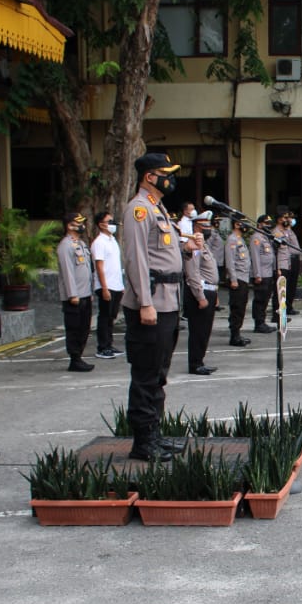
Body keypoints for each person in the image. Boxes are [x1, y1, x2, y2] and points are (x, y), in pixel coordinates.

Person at [120, 152, 187, 461]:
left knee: (159, 373)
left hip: (168, 302)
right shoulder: (139, 209)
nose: (170, 179)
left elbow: (162, 253)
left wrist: (187, 248)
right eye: (166, 174)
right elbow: (136, 259)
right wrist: (145, 303)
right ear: (149, 177)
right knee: (146, 374)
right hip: (151, 304)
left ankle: (155, 434)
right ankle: (143, 441)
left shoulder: (157, 208)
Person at [57, 212, 95, 371]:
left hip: (85, 293)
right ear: (69, 226)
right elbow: (68, 272)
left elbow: (87, 269)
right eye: (78, 223)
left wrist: (90, 291)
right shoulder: (65, 245)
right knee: (74, 328)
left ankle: (79, 356)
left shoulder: (80, 243)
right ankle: (75, 358)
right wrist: (73, 294)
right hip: (75, 296)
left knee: (84, 328)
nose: (82, 226)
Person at [184, 212, 219, 375]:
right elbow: (193, 273)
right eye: (205, 226)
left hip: (210, 291)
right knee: (198, 331)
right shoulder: (194, 246)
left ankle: (200, 360)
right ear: (197, 227)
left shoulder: (204, 245)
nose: (208, 229)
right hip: (200, 293)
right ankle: (195, 364)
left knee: (205, 331)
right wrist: (200, 297)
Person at [91, 211, 124, 359]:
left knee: (111, 317)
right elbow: (99, 266)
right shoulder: (99, 242)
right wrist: (104, 288)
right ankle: (102, 347)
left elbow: (115, 265)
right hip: (106, 285)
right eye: (109, 221)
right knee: (104, 317)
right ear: (101, 225)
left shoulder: (113, 241)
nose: (113, 224)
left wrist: (121, 285)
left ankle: (109, 344)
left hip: (115, 284)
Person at [225, 219, 252, 347]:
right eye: (243, 223)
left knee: (241, 307)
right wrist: (233, 279)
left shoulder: (239, 239)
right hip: (238, 278)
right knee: (237, 308)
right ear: (236, 224)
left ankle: (237, 333)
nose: (246, 226)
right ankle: (234, 336)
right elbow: (230, 261)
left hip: (244, 277)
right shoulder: (232, 239)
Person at [271, 208, 302, 316]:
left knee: (287, 288)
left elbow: (295, 247)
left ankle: (284, 311)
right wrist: (278, 268)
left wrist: (288, 229)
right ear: (279, 219)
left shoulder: (286, 231)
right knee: (280, 291)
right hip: (281, 264)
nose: (288, 220)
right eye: (286, 218)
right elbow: (275, 252)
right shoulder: (276, 233)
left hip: (287, 263)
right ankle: (277, 314)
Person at [250, 213, 276, 333]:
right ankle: (258, 323)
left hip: (268, 273)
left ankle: (262, 321)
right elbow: (255, 257)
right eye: (266, 224)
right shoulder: (256, 238)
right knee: (260, 300)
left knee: (265, 299)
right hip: (261, 274)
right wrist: (257, 274)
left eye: (269, 224)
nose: (268, 226)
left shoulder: (266, 237)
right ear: (260, 225)